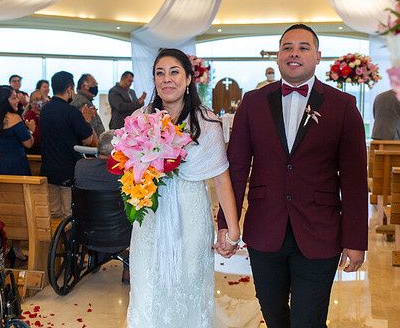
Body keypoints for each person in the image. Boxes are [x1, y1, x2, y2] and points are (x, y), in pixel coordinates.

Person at [217, 24, 368, 328]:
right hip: (265, 229)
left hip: (320, 231)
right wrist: (226, 224)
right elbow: (235, 169)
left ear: (318, 56)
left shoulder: (342, 106)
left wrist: (355, 240)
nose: (294, 52)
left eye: (303, 47)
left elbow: (354, 180)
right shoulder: (253, 102)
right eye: (287, 47)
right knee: (274, 316)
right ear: (278, 56)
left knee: (308, 320)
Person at [127, 49, 240, 328]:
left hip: (190, 213)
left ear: (189, 78)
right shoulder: (139, 119)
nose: (167, 79)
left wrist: (233, 229)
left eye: (174, 72)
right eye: (160, 73)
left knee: (189, 281)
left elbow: (220, 177)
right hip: (151, 214)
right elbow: (127, 170)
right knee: (148, 283)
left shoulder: (206, 121)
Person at [74, 130, 131, 284]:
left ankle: (98, 256)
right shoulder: (124, 172)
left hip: (87, 233)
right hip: (120, 235)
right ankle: (127, 268)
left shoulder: (81, 166)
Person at [40, 71, 97, 218]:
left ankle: (56, 241)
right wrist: (87, 121)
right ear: (69, 89)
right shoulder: (71, 111)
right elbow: (88, 140)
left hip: (48, 169)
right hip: (68, 169)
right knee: (69, 215)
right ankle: (68, 241)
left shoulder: (45, 109)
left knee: (53, 214)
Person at [0, 85, 35, 176]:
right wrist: (31, 130)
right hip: (14, 164)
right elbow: (28, 144)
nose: (17, 101)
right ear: (4, 101)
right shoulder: (14, 118)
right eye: (14, 98)